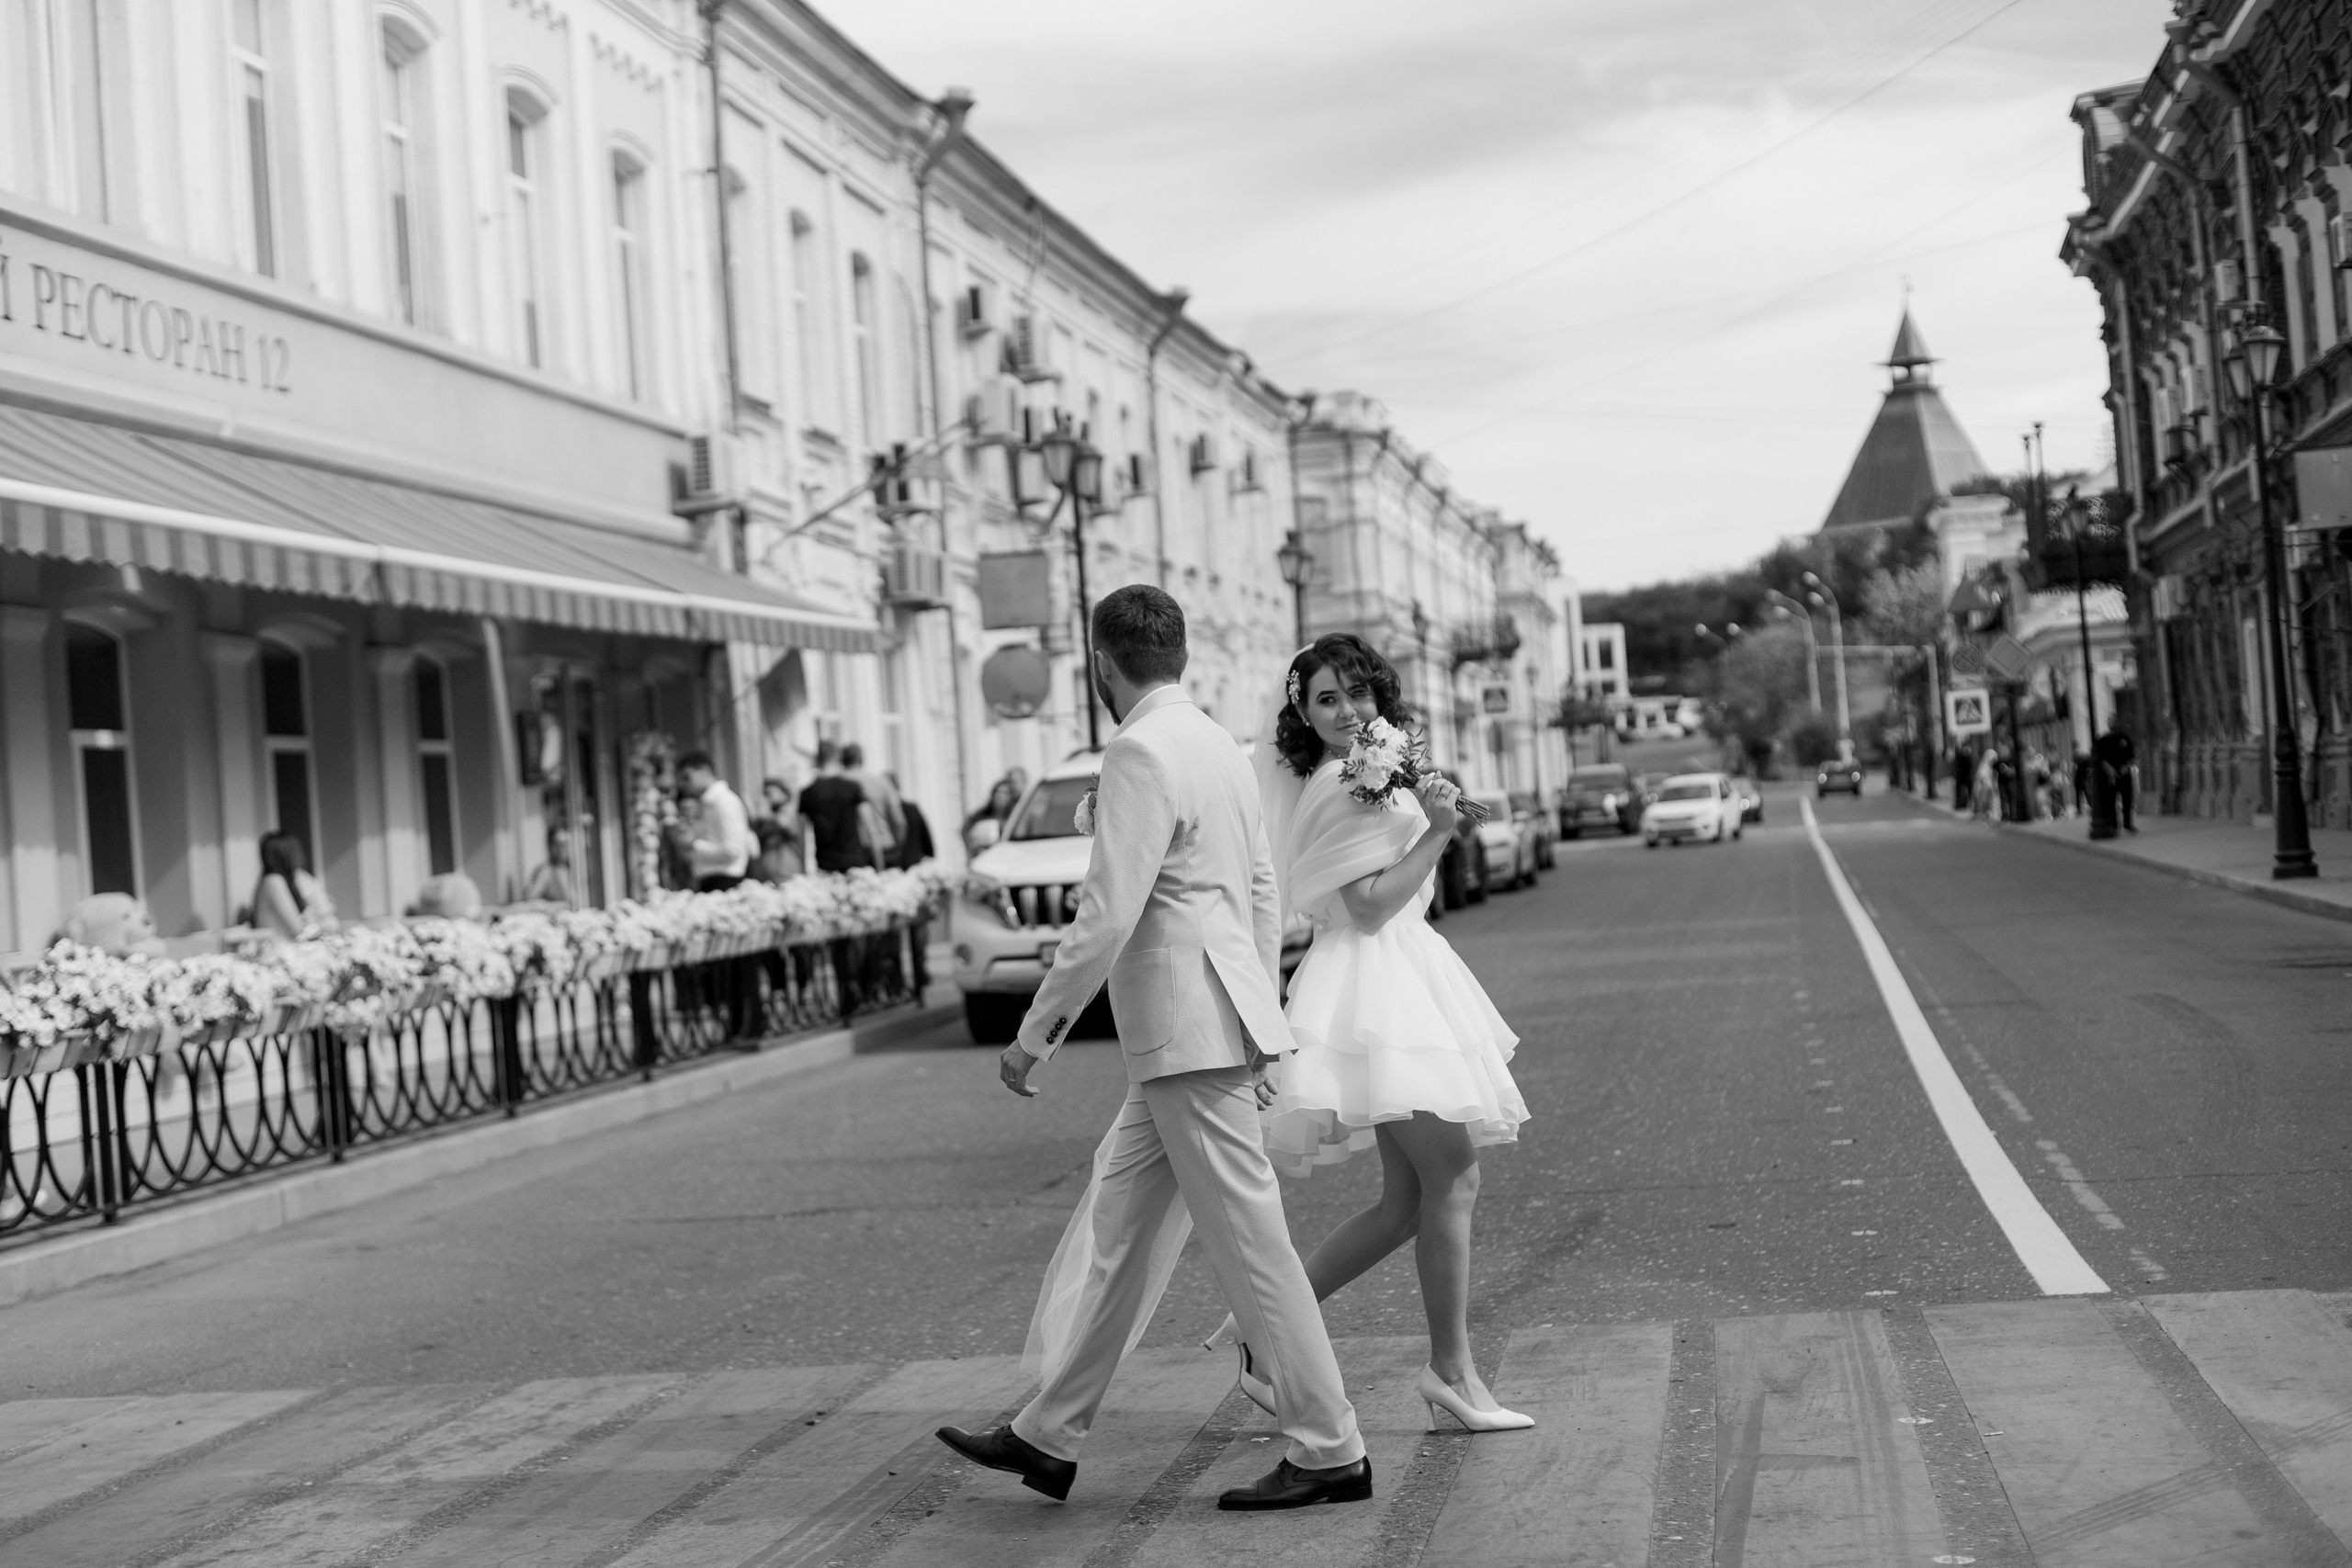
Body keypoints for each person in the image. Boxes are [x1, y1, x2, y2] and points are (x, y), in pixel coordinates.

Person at [937, 584, 1369, 1513]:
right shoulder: (1215, 742)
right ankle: (1049, 1432)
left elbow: (1106, 915)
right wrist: (1258, 1018)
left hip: (1183, 1036)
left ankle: (1332, 1447)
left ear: (1102, 664)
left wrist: (1035, 1035)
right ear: (1180, 653)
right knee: (1121, 1241)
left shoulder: (1138, 750)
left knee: (1254, 1248)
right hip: (1203, 1029)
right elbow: (1261, 891)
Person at [1209, 633, 1532, 1435]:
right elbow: (1368, 905)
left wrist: (1427, 812)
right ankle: (1451, 1371)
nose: (1348, 710)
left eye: (1358, 692)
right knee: (1453, 1178)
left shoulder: (1368, 774)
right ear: (1302, 713)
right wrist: (1438, 831)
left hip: (1398, 974)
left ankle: (1261, 1331)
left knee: (1405, 1203)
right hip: (1378, 983)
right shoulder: (1342, 781)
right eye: (1327, 698)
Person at [797, 743, 874, 874]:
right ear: (838, 759)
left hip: (825, 864)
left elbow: (802, 834)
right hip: (854, 861)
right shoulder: (853, 787)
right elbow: (869, 826)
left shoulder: (808, 793)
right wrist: (878, 863)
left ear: (818, 760)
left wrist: (804, 869)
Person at [252, 831, 336, 939]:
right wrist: (318, 921)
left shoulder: (286, 879)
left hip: (289, 945)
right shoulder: (273, 880)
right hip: (279, 946)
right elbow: (298, 928)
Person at [842, 743, 902, 863]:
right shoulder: (881, 782)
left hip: (852, 851)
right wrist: (897, 846)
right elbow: (899, 821)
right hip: (885, 845)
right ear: (862, 759)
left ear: (842, 760)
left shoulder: (838, 784)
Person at [2095, 718, 2138, 832]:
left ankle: (2127, 824)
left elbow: (2132, 756)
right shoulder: (2104, 740)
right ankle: (2114, 825)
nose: (2113, 724)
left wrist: (2126, 766)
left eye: (2114, 721)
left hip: (2124, 774)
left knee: (2127, 800)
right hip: (2111, 775)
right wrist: (2109, 769)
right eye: (2111, 722)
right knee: (2111, 801)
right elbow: (2100, 758)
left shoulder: (2125, 738)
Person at [520, 825, 577, 906]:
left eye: (565, 844)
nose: (562, 849)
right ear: (549, 846)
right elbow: (529, 900)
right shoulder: (543, 871)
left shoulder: (569, 870)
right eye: (557, 844)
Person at [963, 778, 1020, 852]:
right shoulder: (982, 815)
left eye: (1005, 793)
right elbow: (966, 830)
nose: (1000, 796)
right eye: (997, 792)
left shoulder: (1017, 817)